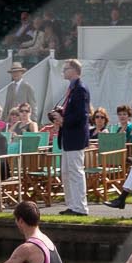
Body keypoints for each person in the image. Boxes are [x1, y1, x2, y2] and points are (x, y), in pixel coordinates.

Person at [54, 58, 91, 214]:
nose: (63, 72)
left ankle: (80, 207)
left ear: (74, 70)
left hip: (75, 137)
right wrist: (61, 112)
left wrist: (63, 119)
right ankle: (72, 205)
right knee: (66, 172)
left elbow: (82, 115)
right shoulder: (72, 88)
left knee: (76, 172)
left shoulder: (80, 89)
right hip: (68, 136)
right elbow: (73, 112)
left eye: (66, 69)